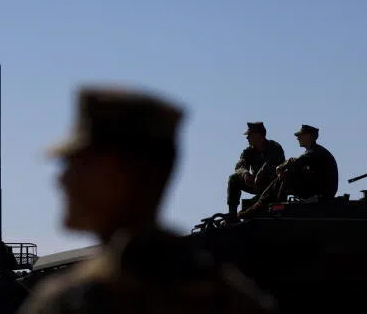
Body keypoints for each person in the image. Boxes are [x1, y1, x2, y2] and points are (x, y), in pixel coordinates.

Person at [16, 86, 277, 314]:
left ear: (116, 176)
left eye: (77, 165)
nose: (62, 181)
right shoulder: (233, 298)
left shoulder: (74, 302)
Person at [239, 124, 338, 219]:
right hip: (319, 188)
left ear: (309, 136)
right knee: (287, 174)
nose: (298, 138)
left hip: (323, 192)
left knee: (287, 175)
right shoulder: (314, 152)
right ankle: (263, 204)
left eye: (300, 135)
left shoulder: (315, 152)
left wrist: (280, 168)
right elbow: (296, 163)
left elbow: (296, 162)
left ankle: (266, 206)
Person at [227, 122, 286, 218]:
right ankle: (232, 215)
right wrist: (245, 174)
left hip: (272, 186)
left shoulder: (274, 147)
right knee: (233, 178)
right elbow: (239, 166)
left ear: (258, 135)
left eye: (249, 135)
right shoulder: (249, 151)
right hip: (255, 184)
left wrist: (259, 174)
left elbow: (272, 165)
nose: (247, 138)